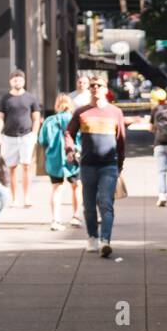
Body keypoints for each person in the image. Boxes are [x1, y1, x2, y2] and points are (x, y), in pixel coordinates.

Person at [65, 74, 126, 257]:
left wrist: (120, 164)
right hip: (87, 166)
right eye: (92, 85)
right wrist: (69, 149)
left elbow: (121, 140)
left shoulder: (116, 112)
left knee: (106, 204)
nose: (95, 88)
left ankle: (105, 241)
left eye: (99, 85)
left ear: (106, 89)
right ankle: (92, 237)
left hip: (109, 165)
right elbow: (69, 132)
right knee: (89, 206)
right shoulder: (81, 112)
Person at [0, 70, 41, 209]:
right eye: (15, 80)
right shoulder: (5, 98)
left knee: (27, 167)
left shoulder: (31, 98)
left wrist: (34, 134)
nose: (17, 82)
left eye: (20, 80)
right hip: (9, 137)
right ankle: (14, 199)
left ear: (24, 81)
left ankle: (26, 198)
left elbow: (36, 118)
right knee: (11, 168)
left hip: (26, 136)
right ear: (10, 81)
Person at [37, 95, 82, 230]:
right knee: (77, 186)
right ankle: (75, 217)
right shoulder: (76, 120)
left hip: (54, 160)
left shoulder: (49, 121)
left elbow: (42, 141)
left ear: (57, 105)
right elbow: (81, 138)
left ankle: (56, 220)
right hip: (73, 158)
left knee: (56, 189)